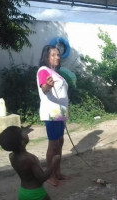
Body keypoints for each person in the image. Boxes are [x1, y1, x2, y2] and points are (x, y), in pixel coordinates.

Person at [0, 126, 59, 200]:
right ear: (22, 142)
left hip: (23, 193)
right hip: (37, 193)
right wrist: (53, 163)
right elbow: (42, 177)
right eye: (23, 133)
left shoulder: (12, 156)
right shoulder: (30, 158)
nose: (26, 134)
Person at [37, 45, 70, 186]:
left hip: (60, 113)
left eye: (58, 55)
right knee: (53, 144)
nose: (57, 57)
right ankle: (49, 175)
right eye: (53, 55)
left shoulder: (56, 72)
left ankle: (57, 172)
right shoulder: (43, 70)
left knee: (60, 142)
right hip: (51, 112)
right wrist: (48, 86)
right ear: (47, 57)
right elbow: (44, 88)